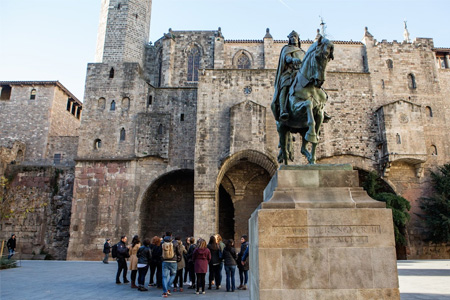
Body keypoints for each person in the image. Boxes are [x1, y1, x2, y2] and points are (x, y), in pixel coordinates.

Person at [271, 30, 306, 122]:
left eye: (295, 37)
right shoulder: (287, 49)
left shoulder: (303, 52)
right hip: (289, 73)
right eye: (291, 37)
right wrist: (292, 59)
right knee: (285, 87)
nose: (293, 39)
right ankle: (283, 110)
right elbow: (286, 58)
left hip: (301, 73)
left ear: (298, 39)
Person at [161, 232, 177, 298]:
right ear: (171, 235)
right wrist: (178, 258)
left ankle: (165, 292)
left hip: (165, 261)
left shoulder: (162, 242)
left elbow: (160, 251)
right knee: (173, 275)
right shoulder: (175, 242)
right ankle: (168, 287)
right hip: (173, 260)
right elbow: (178, 251)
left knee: (164, 276)